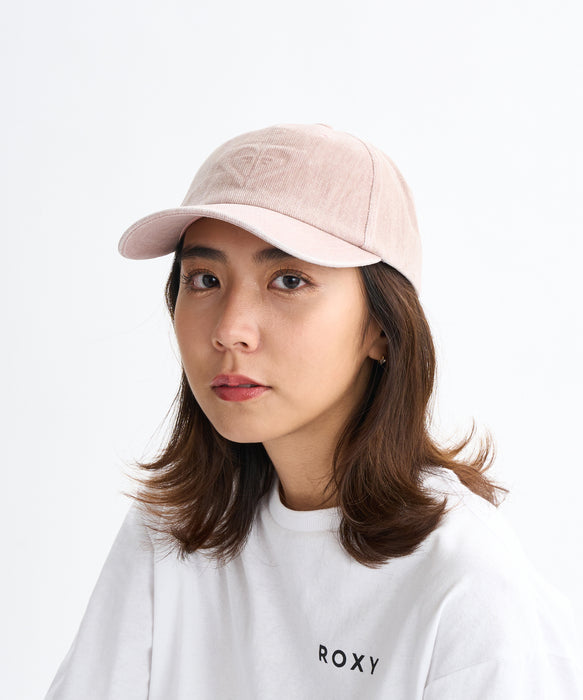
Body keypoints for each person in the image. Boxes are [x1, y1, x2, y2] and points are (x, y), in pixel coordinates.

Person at [45, 123, 582, 699]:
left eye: (289, 280)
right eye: (204, 279)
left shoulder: (466, 582)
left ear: (381, 327)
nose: (230, 329)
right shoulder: (174, 530)